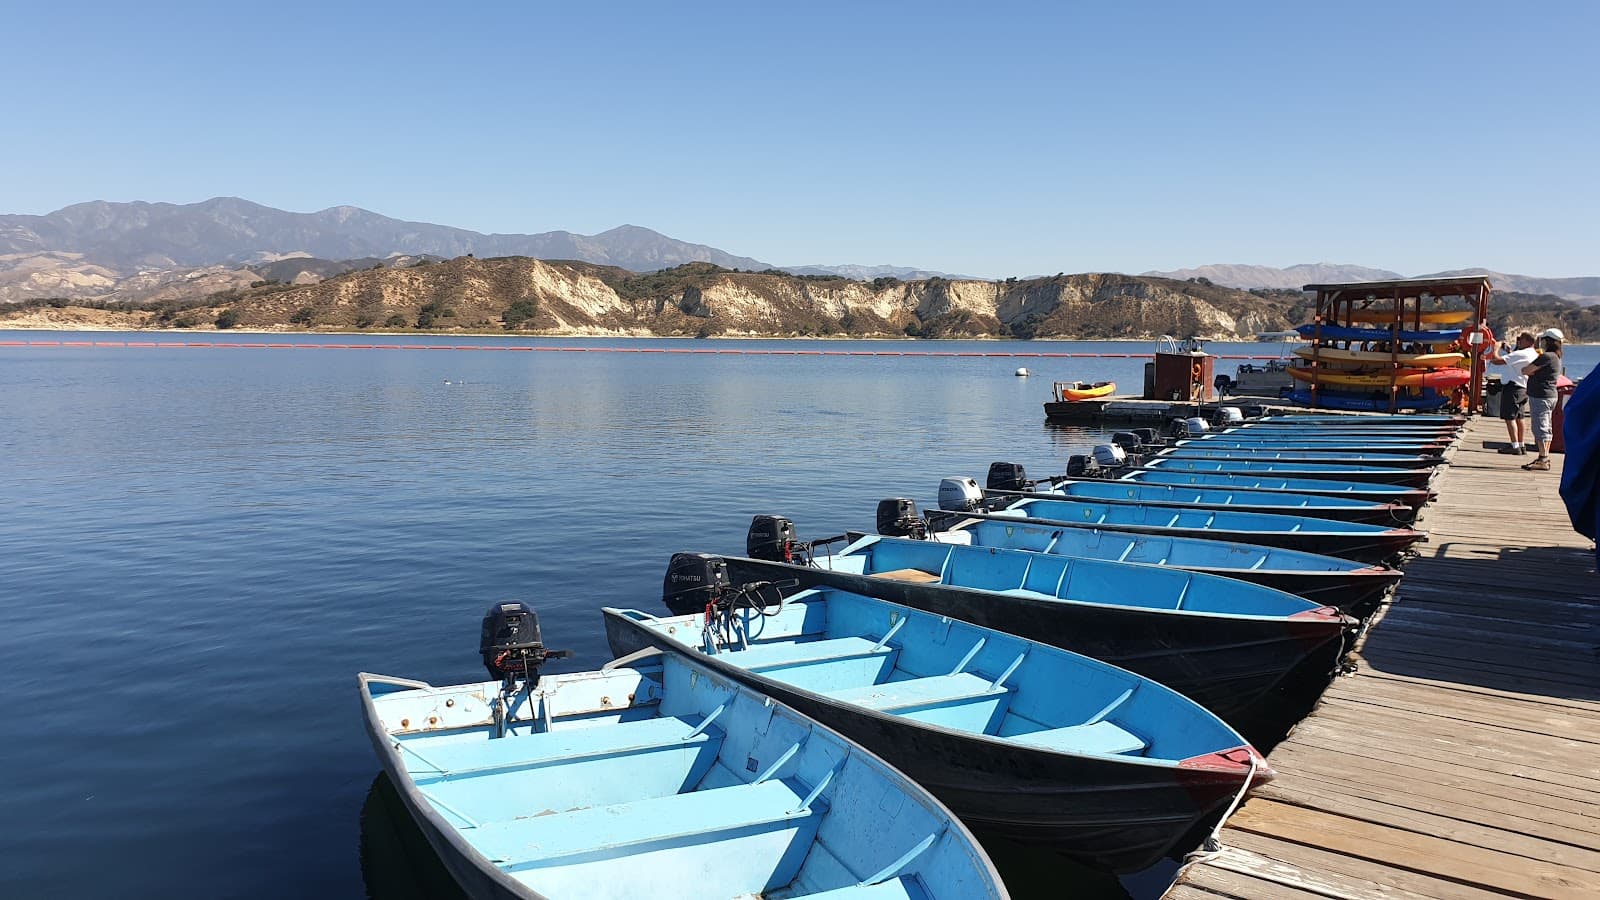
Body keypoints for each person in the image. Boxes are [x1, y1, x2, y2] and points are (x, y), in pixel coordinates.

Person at [1520, 329, 1564, 471]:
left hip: (1541, 396)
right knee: (1546, 426)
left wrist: (1532, 371)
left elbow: (1525, 370)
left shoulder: (1547, 356)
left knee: (1540, 427)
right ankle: (1544, 457)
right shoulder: (1556, 357)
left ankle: (1543, 458)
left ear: (1547, 341)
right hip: (1550, 395)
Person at [1488, 332, 1537, 453]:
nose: (1518, 342)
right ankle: (1521, 444)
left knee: (1510, 417)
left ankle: (1514, 446)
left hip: (1513, 387)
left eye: (1520, 340)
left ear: (1526, 341)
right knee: (1520, 417)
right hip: (1524, 387)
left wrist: (1496, 347)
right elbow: (1516, 362)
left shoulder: (1521, 353)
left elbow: (1495, 360)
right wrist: (1510, 352)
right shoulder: (1533, 354)